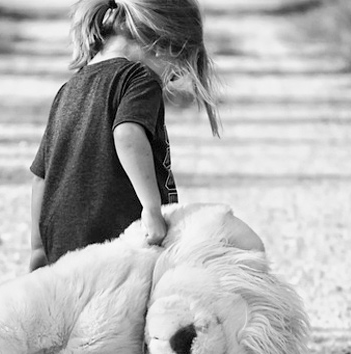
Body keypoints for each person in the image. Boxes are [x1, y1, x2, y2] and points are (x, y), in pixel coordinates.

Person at [29, 0, 221, 271]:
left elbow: (41, 177)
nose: (169, 80)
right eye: (175, 72)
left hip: (62, 245)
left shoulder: (69, 88)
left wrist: (39, 248)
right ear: (162, 44)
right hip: (119, 240)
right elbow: (127, 134)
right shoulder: (139, 78)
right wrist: (152, 209)